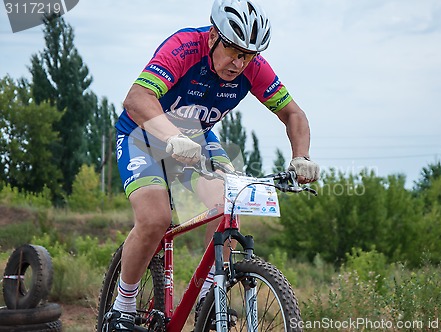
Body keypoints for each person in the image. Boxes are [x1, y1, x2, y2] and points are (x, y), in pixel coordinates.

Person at [102, 0, 320, 330]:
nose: (239, 62)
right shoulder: (185, 47)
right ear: (213, 36)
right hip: (142, 135)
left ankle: (207, 297)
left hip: (196, 139)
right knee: (155, 218)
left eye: (248, 54)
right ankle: (122, 307)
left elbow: (294, 114)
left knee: (228, 202)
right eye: (233, 50)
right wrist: (172, 137)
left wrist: (300, 156)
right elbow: (136, 99)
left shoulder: (254, 68)